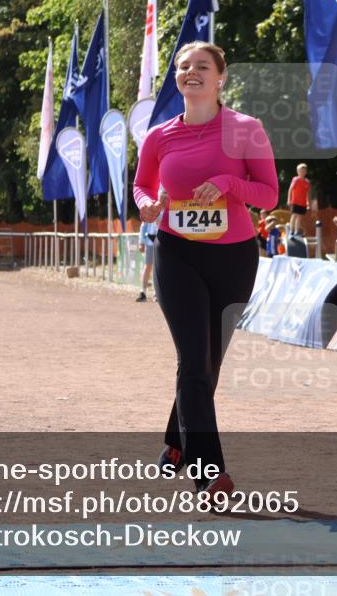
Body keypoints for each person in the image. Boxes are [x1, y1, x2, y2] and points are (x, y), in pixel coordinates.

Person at [133, 41, 278, 498]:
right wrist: (148, 205)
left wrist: (228, 183)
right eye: (183, 66)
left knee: (208, 363)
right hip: (177, 254)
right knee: (194, 360)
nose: (191, 72)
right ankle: (209, 472)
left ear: (221, 78)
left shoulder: (246, 129)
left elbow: (269, 195)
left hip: (234, 258)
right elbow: (141, 186)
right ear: (176, 77)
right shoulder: (159, 136)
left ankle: (177, 441)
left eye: (202, 66)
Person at [136, 214, 159, 302]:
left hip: (161, 241)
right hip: (150, 242)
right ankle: (143, 292)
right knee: (148, 266)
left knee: (158, 268)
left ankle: (157, 293)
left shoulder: (165, 209)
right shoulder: (150, 209)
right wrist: (141, 242)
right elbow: (143, 226)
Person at [286, 163, 310, 235]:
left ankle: (296, 231)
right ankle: (291, 230)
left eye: (303, 171)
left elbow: (307, 193)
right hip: (295, 201)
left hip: (302, 203)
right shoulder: (295, 179)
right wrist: (289, 199)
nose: (302, 173)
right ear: (297, 172)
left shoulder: (307, 182)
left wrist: (308, 202)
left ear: (306, 172)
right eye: (300, 171)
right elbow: (290, 189)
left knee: (299, 217)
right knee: (294, 215)